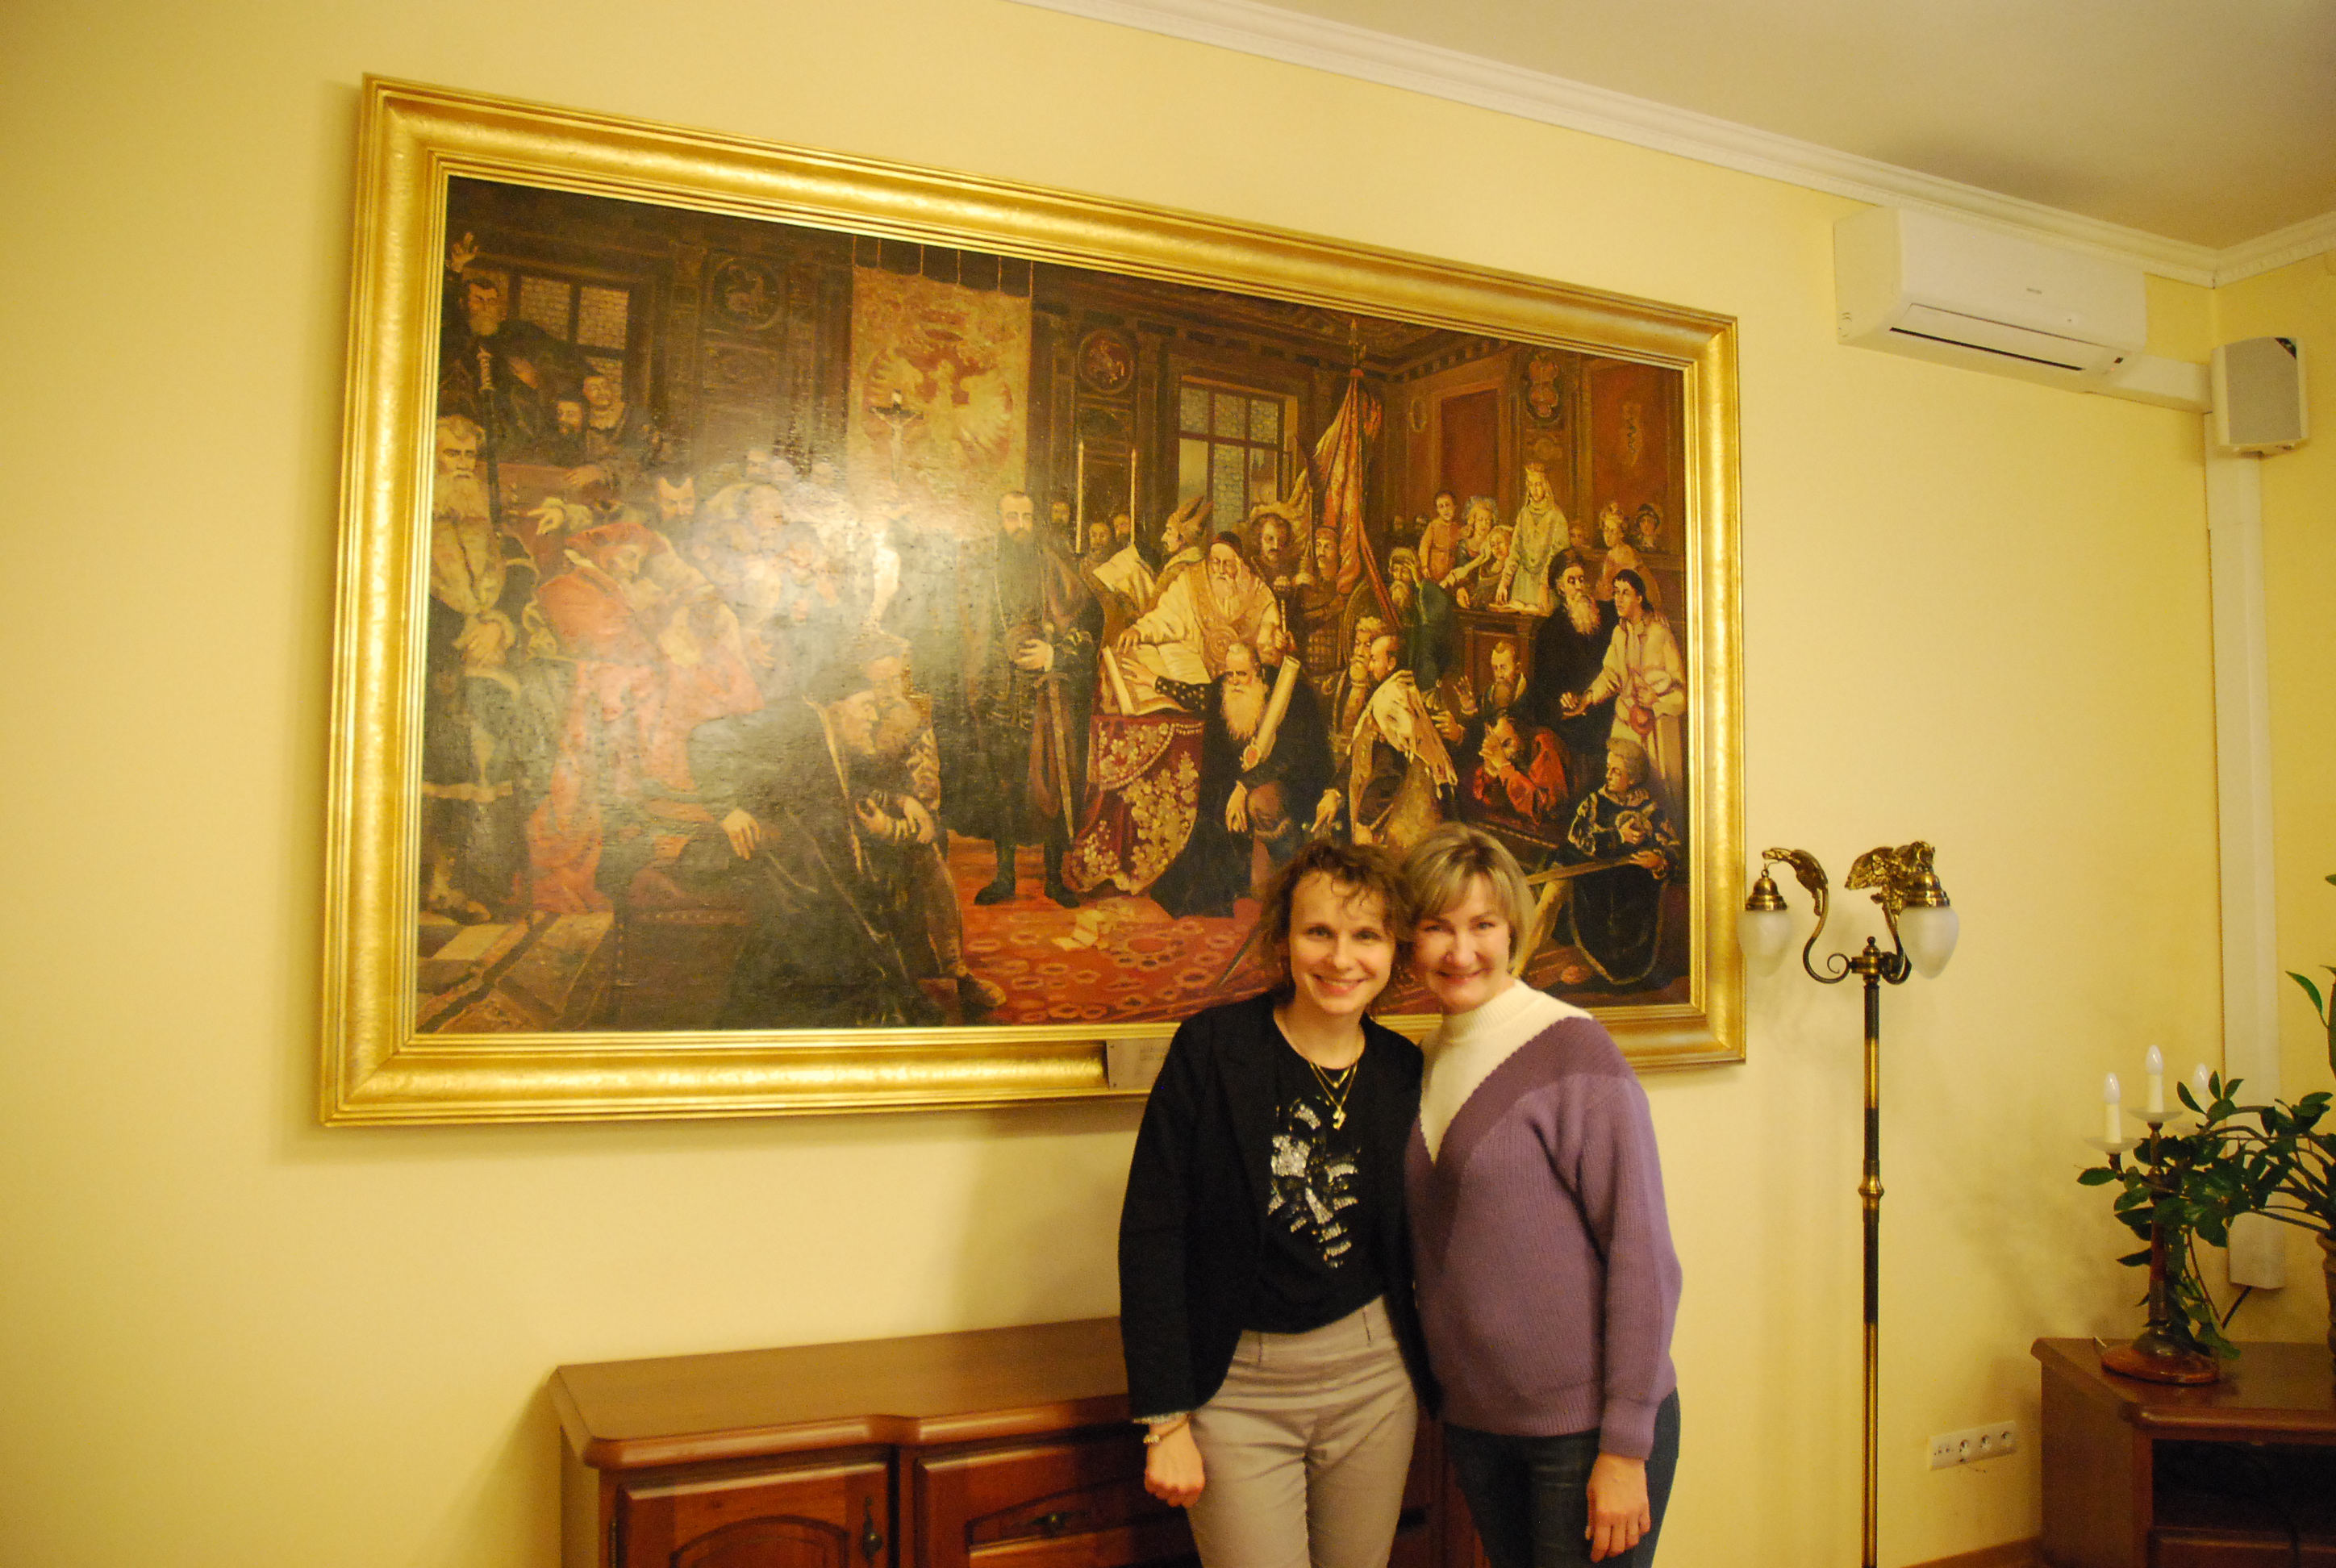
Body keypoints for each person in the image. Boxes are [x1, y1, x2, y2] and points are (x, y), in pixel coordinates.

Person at [1119, 840, 1432, 1568]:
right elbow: (1153, 1234)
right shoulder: (1211, 1049)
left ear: (1394, 950)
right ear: (1283, 938)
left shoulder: (1404, 1069)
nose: (1341, 959)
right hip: (1237, 1389)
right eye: (1319, 931)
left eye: (1366, 935)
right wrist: (1166, 1422)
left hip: (1375, 1383)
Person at [1402, 824, 1683, 1567]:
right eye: (1437, 927)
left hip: (1586, 1433)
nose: (1461, 951)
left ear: (1514, 931)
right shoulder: (1421, 1060)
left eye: (1483, 925)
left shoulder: (1573, 1048)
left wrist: (1625, 1446)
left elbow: (1643, 1257)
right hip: (1480, 1426)